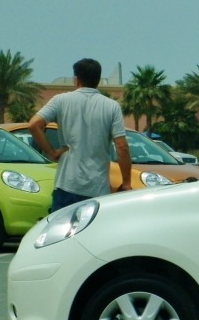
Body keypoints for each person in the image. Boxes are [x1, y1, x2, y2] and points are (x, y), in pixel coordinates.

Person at [28, 58, 133, 211]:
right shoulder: (112, 106)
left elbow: (33, 125)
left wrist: (52, 152)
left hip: (67, 185)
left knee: (62, 226)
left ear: (76, 80)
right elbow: (122, 147)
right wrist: (126, 183)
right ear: (98, 80)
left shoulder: (60, 100)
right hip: (97, 188)